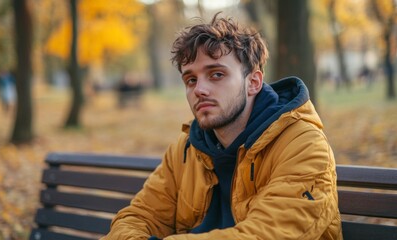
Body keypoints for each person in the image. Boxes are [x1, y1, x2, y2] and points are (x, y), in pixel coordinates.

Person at [101, 13, 342, 240]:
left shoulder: (303, 145)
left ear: (253, 82)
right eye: (191, 79)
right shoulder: (185, 151)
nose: (199, 90)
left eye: (216, 74)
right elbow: (136, 217)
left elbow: (264, 234)